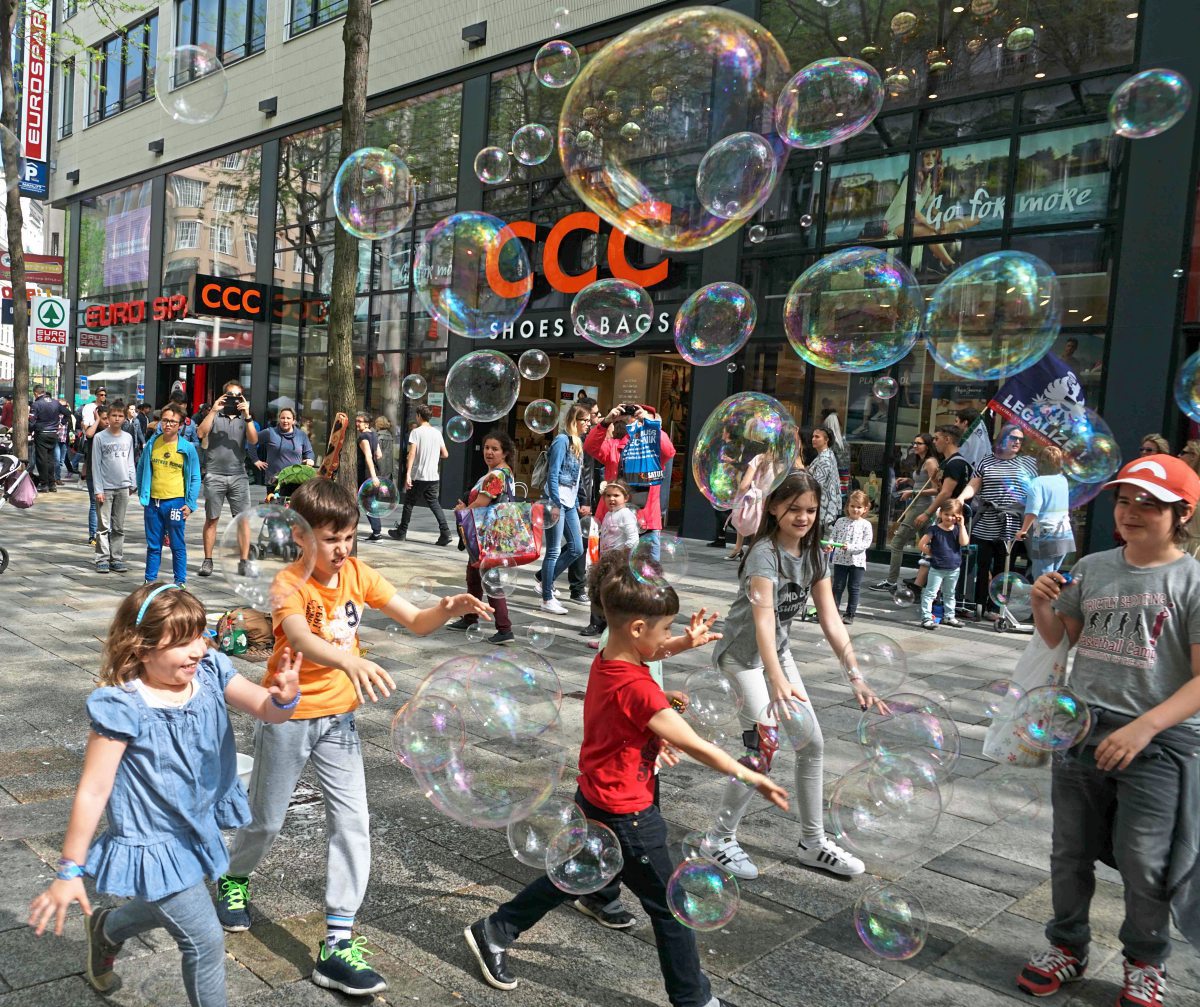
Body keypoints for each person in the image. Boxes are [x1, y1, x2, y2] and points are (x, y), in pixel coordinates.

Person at [462, 551, 787, 1005]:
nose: (668, 637)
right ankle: (694, 999)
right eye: (666, 630)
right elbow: (693, 743)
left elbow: (644, 665)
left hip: (596, 793)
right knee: (671, 907)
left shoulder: (608, 659)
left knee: (575, 872)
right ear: (637, 629)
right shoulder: (637, 688)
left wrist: (681, 645)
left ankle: (496, 929)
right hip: (628, 812)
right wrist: (748, 774)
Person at [215, 478, 490, 995]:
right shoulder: (288, 584)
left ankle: (337, 941)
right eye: (330, 539)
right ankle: (234, 876)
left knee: (353, 822)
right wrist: (348, 660)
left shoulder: (359, 574)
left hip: (339, 721)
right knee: (267, 818)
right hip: (288, 716)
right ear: (300, 536)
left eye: (348, 537)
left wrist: (448, 608)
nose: (342, 549)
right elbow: (300, 637)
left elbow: (416, 620)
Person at [26, 583, 302, 1005]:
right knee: (205, 940)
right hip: (154, 840)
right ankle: (108, 930)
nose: (198, 650)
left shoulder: (210, 671)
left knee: (172, 900)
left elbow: (267, 709)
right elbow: (93, 790)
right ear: (141, 648)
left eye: (200, 635)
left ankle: (107, 929)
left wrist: (285, 697)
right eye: (181, 642)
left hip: (196, 823)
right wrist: (69, 871)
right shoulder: (122, 707)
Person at [1018, 454, 1200, 1007]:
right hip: (1082, 729)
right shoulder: (1093, 567)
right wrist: (1042, 605)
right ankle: (1066, 945)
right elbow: (1063, 638)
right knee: (1069, 851)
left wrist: (1144, 729)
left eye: (1149, 504)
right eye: (1124, 500)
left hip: (1158, 742)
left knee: (1145, 860)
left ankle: (1145, 961)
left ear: (1183, 514)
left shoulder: (1192, 581)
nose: (1131, 512)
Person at [698, 471, 884, 882]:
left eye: (811, 510)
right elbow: (763, 621)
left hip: (777, 656)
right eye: (794, 508)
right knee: (763, 747)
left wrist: (855, 675)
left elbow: (831, 619)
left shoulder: (816, 554)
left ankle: (813, 843)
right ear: (773, 508)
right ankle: (718, 838)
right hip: (742, 658)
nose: (803, 517)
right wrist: (776, 678)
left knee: (812, 744)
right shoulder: (763, 555)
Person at [449, 429, 518, 645]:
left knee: (491, 579)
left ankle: (505, 629)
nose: (489, 452)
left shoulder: (496, 475)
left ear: (505, 452)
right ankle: (470, 617)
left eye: (495, 449)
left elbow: (481, 503)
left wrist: (463, 511)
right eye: (487, 447)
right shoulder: (502, 472)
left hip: (489, 536)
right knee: (473, 575)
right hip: (489, 533)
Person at [964, 424, 1038, 619]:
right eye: (1013, 438)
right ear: (1002, 439)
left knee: (1004, 569)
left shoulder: (1028, 463)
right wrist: (960, 498)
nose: (1017, 442)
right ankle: (978, 605)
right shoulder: (986, 461)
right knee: (982, 567)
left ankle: (996, 609)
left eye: (1020, 439)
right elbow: (973, 485)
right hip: (986, 521)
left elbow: (1038, 492)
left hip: (1012, 524)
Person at [585, 402, 677, 550]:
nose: (641, 423)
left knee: (647, 564)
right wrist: (606, 422)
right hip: (613, 520)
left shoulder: (654, 450)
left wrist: (649, 423)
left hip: (646, 520)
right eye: (637, 419)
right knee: (611, 564)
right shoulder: (614, 446)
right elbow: (590, 447)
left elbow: (668, 451)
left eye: (645, 420)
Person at [196, 381, 259, 577]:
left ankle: (244, 561)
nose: (234, 399)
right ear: (223, 396)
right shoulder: (215, 415)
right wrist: (213, 410)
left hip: (238, 475)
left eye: (237, 396)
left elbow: (253, 440)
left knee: (243, 520)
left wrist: (247, 414)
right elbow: (200, 433)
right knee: (211, 519)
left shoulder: (245, 418)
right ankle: (208, 560)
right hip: (214, 474)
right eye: (230, 395)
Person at [137, 403, 201, 587]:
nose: (168, 424)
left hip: (175, 503)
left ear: (180, 425)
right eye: (165, 420)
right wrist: (143, 493)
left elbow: (195, 477)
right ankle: (149, 581)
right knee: (153, 545)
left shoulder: (187, 448)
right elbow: (141, 468)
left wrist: (190, 504)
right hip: (153, 502)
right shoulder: (152, 443)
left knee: (177, 544)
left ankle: (180, 581)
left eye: (173, 422)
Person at [871, 433, 941, 594]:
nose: (915, 446)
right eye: (914, 442)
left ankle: (891, 581)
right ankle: (926, 583)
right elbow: (923, 484)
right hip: (920, 505)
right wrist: (909, 481)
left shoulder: (930, 462)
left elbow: (937, 489)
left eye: (919, 443)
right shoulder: (922, 461)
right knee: (927, 546)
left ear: (927, 446)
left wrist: (912, 491)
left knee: (897, 542)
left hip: (922, 507)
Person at [538, 403, 588, 616]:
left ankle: (544, 580)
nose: (588, 424)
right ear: (575, 421)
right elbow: (553, 473)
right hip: (556, 501)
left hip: (570, 503)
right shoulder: (561, 441)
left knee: (577, 548)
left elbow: (575, 481)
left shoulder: (577, 443)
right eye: (585, 420)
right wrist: (555, 503)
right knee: (553, 550)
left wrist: (576, 503)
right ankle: (547, 598)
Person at [581, 479, 640, 638]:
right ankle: (596, 623)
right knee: (597, 589)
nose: (611, 499)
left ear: (626, 498)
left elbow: (633, 539)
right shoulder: (608, 514)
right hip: (605, 560)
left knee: (612, 593)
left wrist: (621, 555)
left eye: (616, 495)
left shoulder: (626, 515)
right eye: (608, 495)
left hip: (618, 561)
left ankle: (609, 625)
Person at [388, 404, 451, 545]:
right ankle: (446, 533)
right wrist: (432, 455)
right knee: (434, 504)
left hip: (419, 475)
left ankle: (401, 532)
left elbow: (412, 453)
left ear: (418, 416)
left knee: (409, 503)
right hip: (433, 476)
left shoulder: (416, 432)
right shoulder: (437, 433)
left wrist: (408, 474)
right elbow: (445, 454)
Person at [92, 400, 137, 575]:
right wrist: (98, 489)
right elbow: (96, 465)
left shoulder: (128, 437)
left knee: (119, 526)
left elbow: (130, 461)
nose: (117, 418)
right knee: (103, 526)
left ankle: (116, 558)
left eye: (120, 416)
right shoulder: (99, 437)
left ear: (125, 418)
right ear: (108, 417)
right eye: (114, 415)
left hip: (123, 486)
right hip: (105, 487)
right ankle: (102, 558)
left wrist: (133, 482)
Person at [1017, 445, 1075, 580]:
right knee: (1053, 577)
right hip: (1065, 534)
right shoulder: (1063, 480)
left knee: (1042, 580)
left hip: (1045, 534)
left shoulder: (1037, 482)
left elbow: (1033, 510)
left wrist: (1023, 531)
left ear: (1039, 463)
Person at [567, 397, 601, 603]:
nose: (597, 418)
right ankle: (577, 588)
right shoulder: (579, 439)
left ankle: (545, 576)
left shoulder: (588, 436)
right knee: (580, 543)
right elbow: (583, 473)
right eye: (594, 414)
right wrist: (585, 500)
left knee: (577, 543)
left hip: (588, 496)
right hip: (582, 499)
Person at [917, 498, 968, 630]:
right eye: (946, 514)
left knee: (950, 593)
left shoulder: (958, 529)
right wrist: (932, 553)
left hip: (954, 568)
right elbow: (921, 544)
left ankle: (949, 616)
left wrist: (962, 525)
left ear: (959, 516)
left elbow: (964, 542)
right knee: (930, 593)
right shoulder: (934, 529)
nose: (949, 518)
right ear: (940, 513)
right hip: (937, 568)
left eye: (953, 515)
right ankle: (926, 618)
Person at [829, 489, 873, 625]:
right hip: (840, 560)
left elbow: (866, 543)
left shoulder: (866, 525)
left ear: (865, 509)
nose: (855, 509)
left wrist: (851, 547)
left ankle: (850, 614)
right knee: (837, 586)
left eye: (859, 507)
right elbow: (833, 537)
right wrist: (830, 545)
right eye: (852, 506)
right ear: (847, 506)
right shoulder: (840, 521)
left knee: (854, 588)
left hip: (857, 562)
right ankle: (833, 613)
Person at [255, 407, 316, 484]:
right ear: (279, 419)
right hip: (274, 480)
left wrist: (310, 459)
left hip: (295, 480)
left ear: (293, 421)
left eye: (288, 418)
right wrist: (255, 460)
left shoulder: (301, 435)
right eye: (282, 418)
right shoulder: (270, 432)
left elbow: (309, 452)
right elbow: (251, 441)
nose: (285, 421)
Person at [354, 412, 384, 540]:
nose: (357, 423)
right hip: (372, 472)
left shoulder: (363, 437)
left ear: (367, 423)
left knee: (367, 501)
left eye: (359, 421)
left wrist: (373, 476)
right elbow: (379, 454)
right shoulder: (373, 434)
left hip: (365, 473)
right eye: (356, 421)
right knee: (370, 501)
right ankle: (376, 532)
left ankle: (376, 533)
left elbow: (369, 456)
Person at [30, 384, 65, 492]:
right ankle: (52, 484)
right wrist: (61, 424)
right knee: (50, 459)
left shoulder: (36, 404)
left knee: (42, 460)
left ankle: (44, 484)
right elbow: (67, 413)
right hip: (53, 434)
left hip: (41, 434)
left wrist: (31, 430)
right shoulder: (55, 402)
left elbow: (31, 421)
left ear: (36, 393)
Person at [807, 425, 842, 532]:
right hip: (826, 505)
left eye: (817, 437)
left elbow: (816, 483)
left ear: (826, 440)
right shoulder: (828, 454)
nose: (813, 439)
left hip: (822, 506)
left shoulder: (824, 458)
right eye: (813, 436)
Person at [374, 415, 396, 483]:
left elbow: (376, 454)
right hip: (389, 467)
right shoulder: (390, 435)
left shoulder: (378, 437)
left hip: (380, 467)